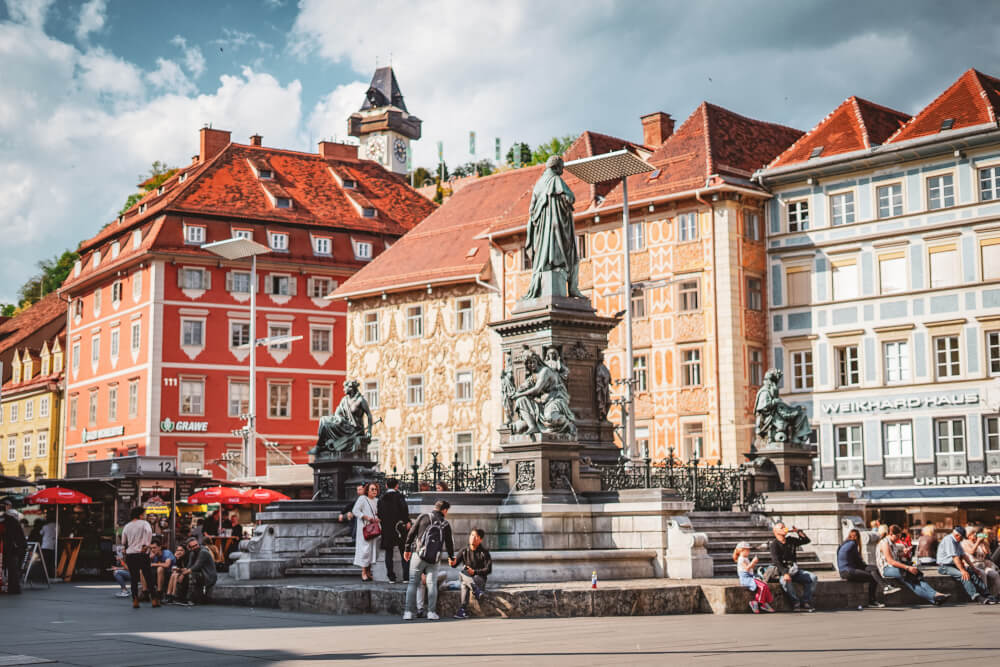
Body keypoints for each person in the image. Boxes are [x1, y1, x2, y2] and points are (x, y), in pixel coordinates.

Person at [403, 500, 455, 620]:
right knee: (432, 584)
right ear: (445, 510)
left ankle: (408, 612)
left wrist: (407, 549)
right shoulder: (445, 524)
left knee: (413, 583)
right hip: (434, 558)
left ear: (435, 507)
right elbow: (449, 544)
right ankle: (431, 612)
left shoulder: (423, 517)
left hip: (419, 555)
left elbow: (411, 533)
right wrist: (451, 558)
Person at [876, 525, 946, 604]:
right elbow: (890, 561)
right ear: (891, 534)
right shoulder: (885, 543)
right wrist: (907, 568)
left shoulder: (892, 542)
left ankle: (935, 595)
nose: (898, 539)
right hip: (886, 569)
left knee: (918, 575)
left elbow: (895, 557)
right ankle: (934, 597)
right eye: (897, 536)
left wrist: (903, 553)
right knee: (909, 578)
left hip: (894, 567)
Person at [837, 528, 899, 607]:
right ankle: (872, 601)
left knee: (873, 569)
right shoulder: (853, 544)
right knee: (872, 577)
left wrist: (869, 567)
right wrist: (868, 567)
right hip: (848, 571)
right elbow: (859, 563)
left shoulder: (843, 544)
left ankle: (885, 587)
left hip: (844, 571)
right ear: (857, 537)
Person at [936, 526, 996, 604]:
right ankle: (977, 597)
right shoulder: (949, 540)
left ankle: (987, 594)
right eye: (962, 538)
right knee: (963, 575)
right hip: (945, 566)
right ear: (957, 535)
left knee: (973, 573)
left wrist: (973, 568)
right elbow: (955, 557)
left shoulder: (957, 541)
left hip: (954, 565)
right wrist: (962, 570)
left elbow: (964, 555)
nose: (962, 539)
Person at [768, 521, 817, 612]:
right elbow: (776, 561)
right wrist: (785, 573)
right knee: (785, 581)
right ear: (775, 531)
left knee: (813, 578)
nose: (784, 529)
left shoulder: (791, 540)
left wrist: (798, 532)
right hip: (783, 571)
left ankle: (805, 601)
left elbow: (806, 541)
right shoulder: (774, 545)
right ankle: (796, 603)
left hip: (795, 570)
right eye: (781, 528)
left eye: (784, 527)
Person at [450, 528, 493, 619]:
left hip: (479, 580)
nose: (472, 538)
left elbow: (488, 569)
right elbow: (454, 564)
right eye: (471, 535)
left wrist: (474, 572)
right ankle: (475, 592)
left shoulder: (484, 552)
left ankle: (462, 610)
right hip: (472, 583)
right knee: (463, 573)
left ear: (480, 539)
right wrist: (452, 563)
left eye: (476, 536)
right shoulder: (464, 550)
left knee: (463, 581)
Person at [122, 506, 159, 609]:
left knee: (134, 578)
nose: (145, 516)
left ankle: (135, 600)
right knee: (148, 576)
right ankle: (154, 600)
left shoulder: (127, 526)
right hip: (142, 553)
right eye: (144, 514)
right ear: (140, 515)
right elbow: (149, 533)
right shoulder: (144, 524)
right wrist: (146, 545)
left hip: (131, 554)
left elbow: (123, 541)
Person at [377, 478, 411, 584]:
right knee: (404, 551)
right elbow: (404, 510)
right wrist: (407, 521)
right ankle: (406, 577)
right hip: (399, 528)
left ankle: (391, 577)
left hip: (387, 529)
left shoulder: (382, 498)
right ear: (397, 486)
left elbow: (380, 513)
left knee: (389, 552)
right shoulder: (399, 497)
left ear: (386, 486)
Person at [733, 542, 774, 614]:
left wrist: (753, 563)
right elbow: (746, 569)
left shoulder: (745, 558)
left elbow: (750, 568)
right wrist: (753, 562)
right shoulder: (741, 559)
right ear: (742, 550)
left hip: (750, 577)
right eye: (747, 550)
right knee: (762, 586)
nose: (749, 551)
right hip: (745, 578)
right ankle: (758, 602)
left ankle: (763, 602)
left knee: (764, 585)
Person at [961, 524, 1000, 597]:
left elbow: (987, 552)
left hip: (983, 565)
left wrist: (984, 542)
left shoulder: (980, 542)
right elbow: (971, 552)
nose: (975, 534)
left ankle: (996, 594)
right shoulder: (964, 543)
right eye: (973, 533)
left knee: (995, 574)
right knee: (983, 574)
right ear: (968, 535)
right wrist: (978, 542)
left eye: (975, 533)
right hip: (972, 565)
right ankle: (985, 595)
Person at [176, 537, 216, 606]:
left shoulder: (203, 552)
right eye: (193, 546)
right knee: (178, 574)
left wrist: (183, 574)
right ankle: (178, 597)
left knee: (191, 575)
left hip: (208, 576)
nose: (196, 547)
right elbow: (189, 566)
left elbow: (197, 566)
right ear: (189, 547)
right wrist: (181, 570)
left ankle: (190, 599)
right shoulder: (192, 553)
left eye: (196, 545)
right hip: (200, 573)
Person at [352, 482, 380, 581]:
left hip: (374, 528)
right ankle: (363, 572)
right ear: (367, 490)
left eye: (375, 489)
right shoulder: (362, 499)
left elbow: (378, 513)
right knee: (365, 550)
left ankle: (368, 571)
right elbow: (355, 511)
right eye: (372, 489)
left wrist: (378, 518)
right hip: (365, 529)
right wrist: (366, 517)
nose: (374, 491)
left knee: (372, 550)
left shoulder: (377, 500)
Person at [1, 500, 27, 594]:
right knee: (13, 569)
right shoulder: (12, 520)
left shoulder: (10, 520)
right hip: (11, 549)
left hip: (9, 548)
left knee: (12, 568)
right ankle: (13, 588)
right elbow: (20, 536)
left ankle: (12, 587)